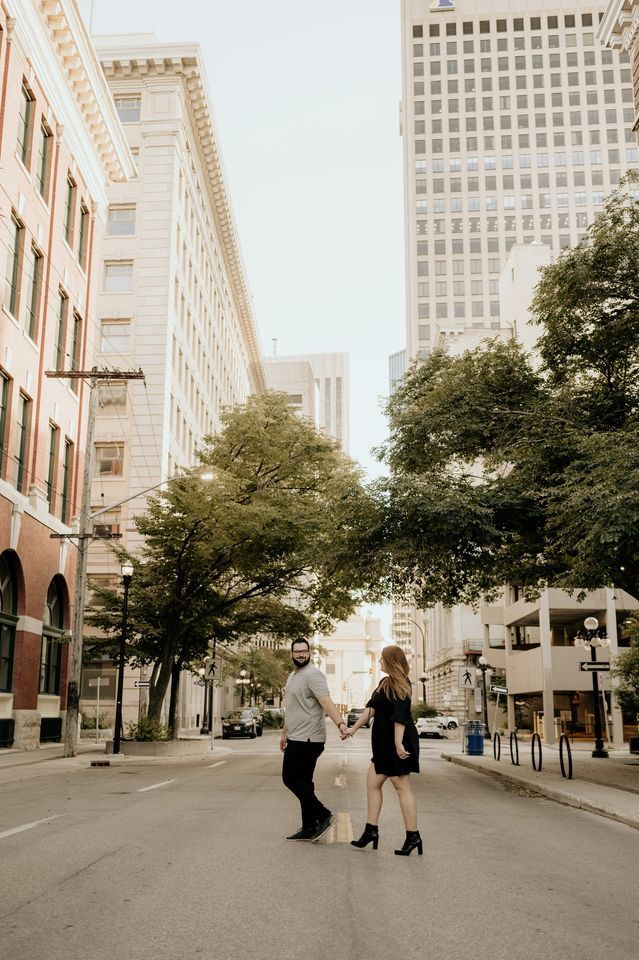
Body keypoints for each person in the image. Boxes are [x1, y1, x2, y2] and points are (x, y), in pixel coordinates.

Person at [342, 644, 422, 856]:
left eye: (381, 659)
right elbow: (371, 710)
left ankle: (413, 836)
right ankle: (371, 831)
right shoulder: (385, 683)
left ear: (391, 661)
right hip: (382, 745)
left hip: (397, 743)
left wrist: (398, 744)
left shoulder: (402, 685)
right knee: (372, 784)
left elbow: (401, 717)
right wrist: (353, 729)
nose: (378, 662)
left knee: (402, 787)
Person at [280, 637, 346, 841]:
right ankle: (309, 827)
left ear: (309, 653)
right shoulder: (293, 675)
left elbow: (325, 701)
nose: (301, 654)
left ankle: (324, 814)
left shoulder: (314, 675)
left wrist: (340, 724)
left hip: (308, 738)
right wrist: (285, 733)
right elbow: (292, 707)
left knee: (289, 778)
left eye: (304, 651)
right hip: (296, 736)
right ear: (292, 654)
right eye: (297, 651)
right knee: (304, 783)